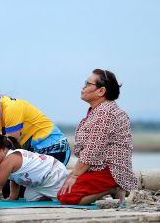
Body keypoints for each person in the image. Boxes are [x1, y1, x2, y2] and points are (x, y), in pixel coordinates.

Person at [57, 69, 137, 205]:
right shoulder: (98, 110)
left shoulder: (105, 113)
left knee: (66, 197)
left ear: (101, 91)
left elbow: (91, 151)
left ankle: (113, 187)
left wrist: (75, 175)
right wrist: (75, 174)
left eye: (87, 84)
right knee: (63, 190)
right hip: (97, 168)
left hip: (111, 170)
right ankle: (104, 191)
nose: (83, 87)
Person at [0, 133, 69, 201]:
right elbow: (15, 180)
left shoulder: (9, 160)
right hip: (39, 184)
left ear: (3, 149)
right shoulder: (6, 162)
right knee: (29, 198)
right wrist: (12, 197)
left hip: (53, 174)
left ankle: (58, 192)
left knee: (63, 198)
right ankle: (48, 196)